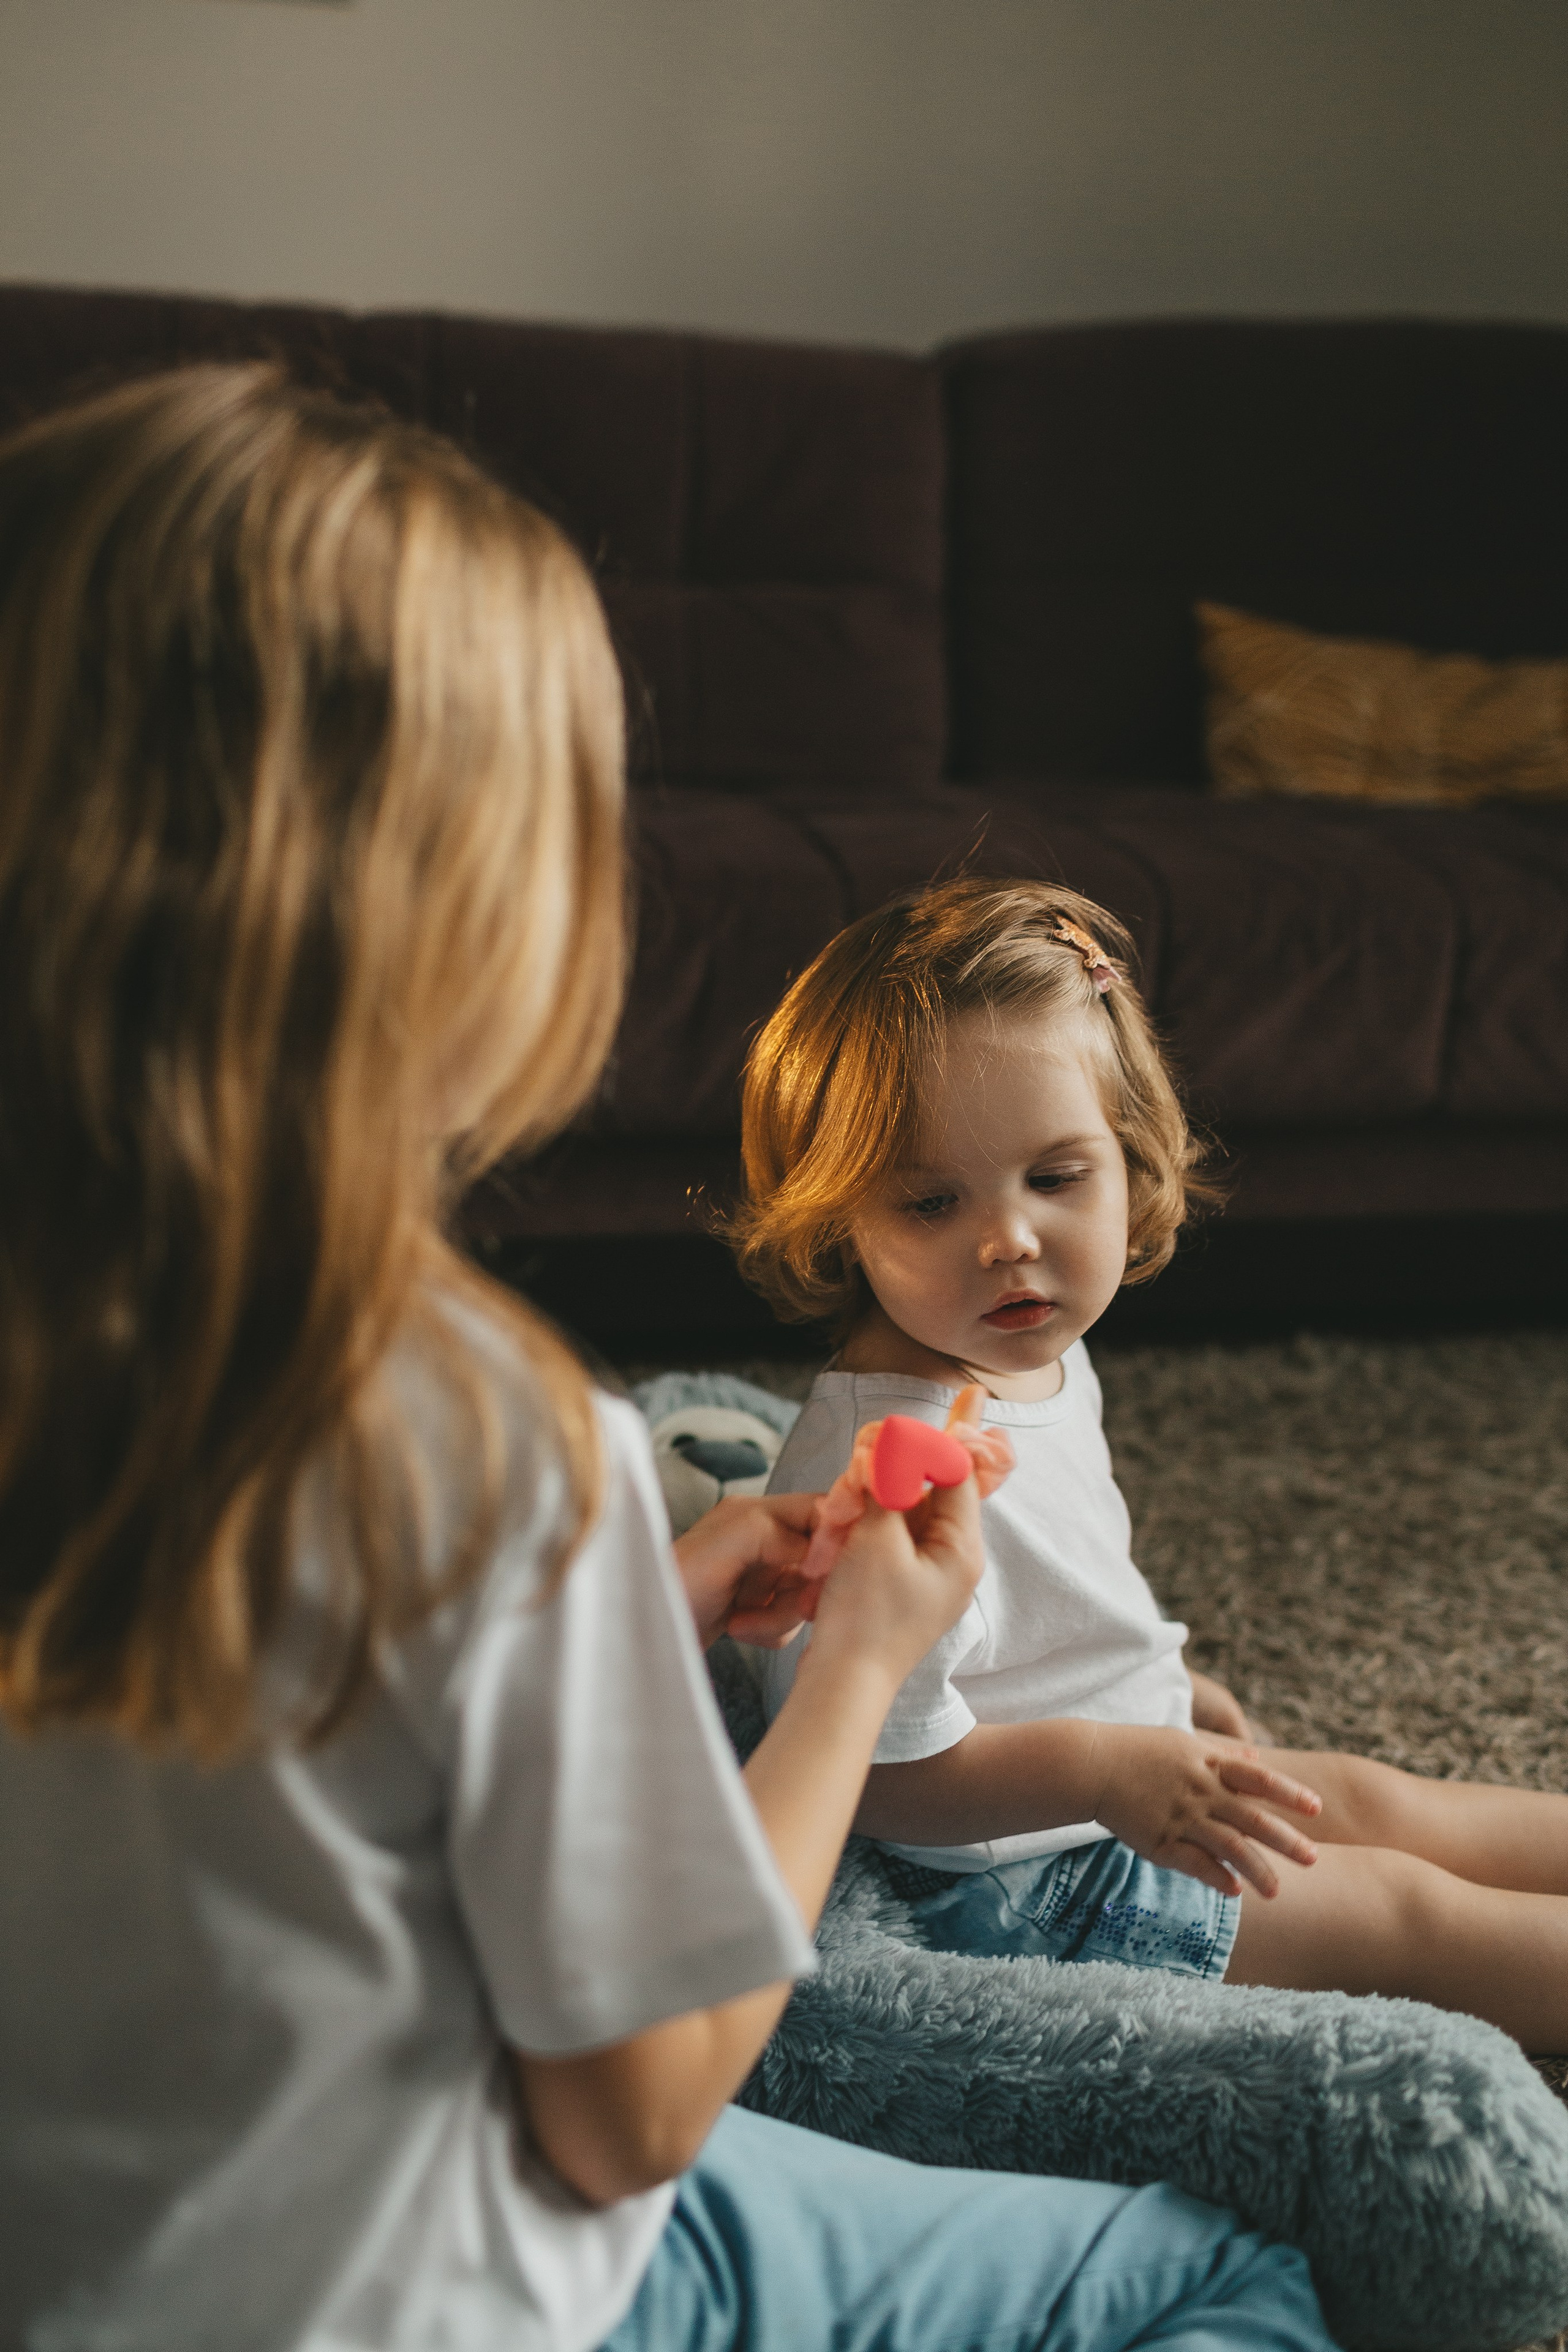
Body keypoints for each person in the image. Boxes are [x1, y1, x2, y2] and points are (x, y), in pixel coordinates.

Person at [0, 369, 1336, 2352]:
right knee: (1223, 2280)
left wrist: (630, 1599)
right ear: (474, 918)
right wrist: (856, 1675)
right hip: (455, 2299)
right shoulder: (466, 1438)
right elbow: (635, 2112)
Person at [734, 876, 1568, 2054]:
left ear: (1130, 1162)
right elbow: (870, 1778)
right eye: (930, 1200)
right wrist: (1102, 1762)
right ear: (839, 1222)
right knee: (1407, 1917)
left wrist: (1148, 1695)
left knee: (1385, 1804)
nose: (1010, 1238)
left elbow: (1057, 1596)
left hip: (1109, 1786)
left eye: (1057, 1178)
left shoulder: (1028, 1351)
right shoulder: (880, 1471)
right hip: (1023, 1886)